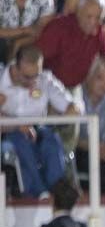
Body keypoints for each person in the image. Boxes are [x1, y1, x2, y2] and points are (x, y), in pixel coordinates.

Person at [0, 44, 77, 198]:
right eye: (27, 77)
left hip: (39, 128)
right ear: (15, 68)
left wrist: (72, 109)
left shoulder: (45, 80)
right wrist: (17, 125)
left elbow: (73, 106)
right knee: (20, 140)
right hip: (9, 131)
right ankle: (39, 193)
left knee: (52, 139)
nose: (33, 81)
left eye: (36, 75)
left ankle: (58, 193)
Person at [37, 0, 105, 90]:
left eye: (98, 18)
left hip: (74, 88)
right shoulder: (60, 27)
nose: (93, 22)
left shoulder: (98, 31)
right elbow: (37, 55)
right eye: (89, 16)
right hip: (46, 85)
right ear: (79, 13)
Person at [77, 55, 105, 194]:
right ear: (89, 76)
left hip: (103, 153)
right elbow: (68, 137)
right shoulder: (76, 97)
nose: (104, 85)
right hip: (79, 151)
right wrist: (92, 146)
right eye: (100, 78)